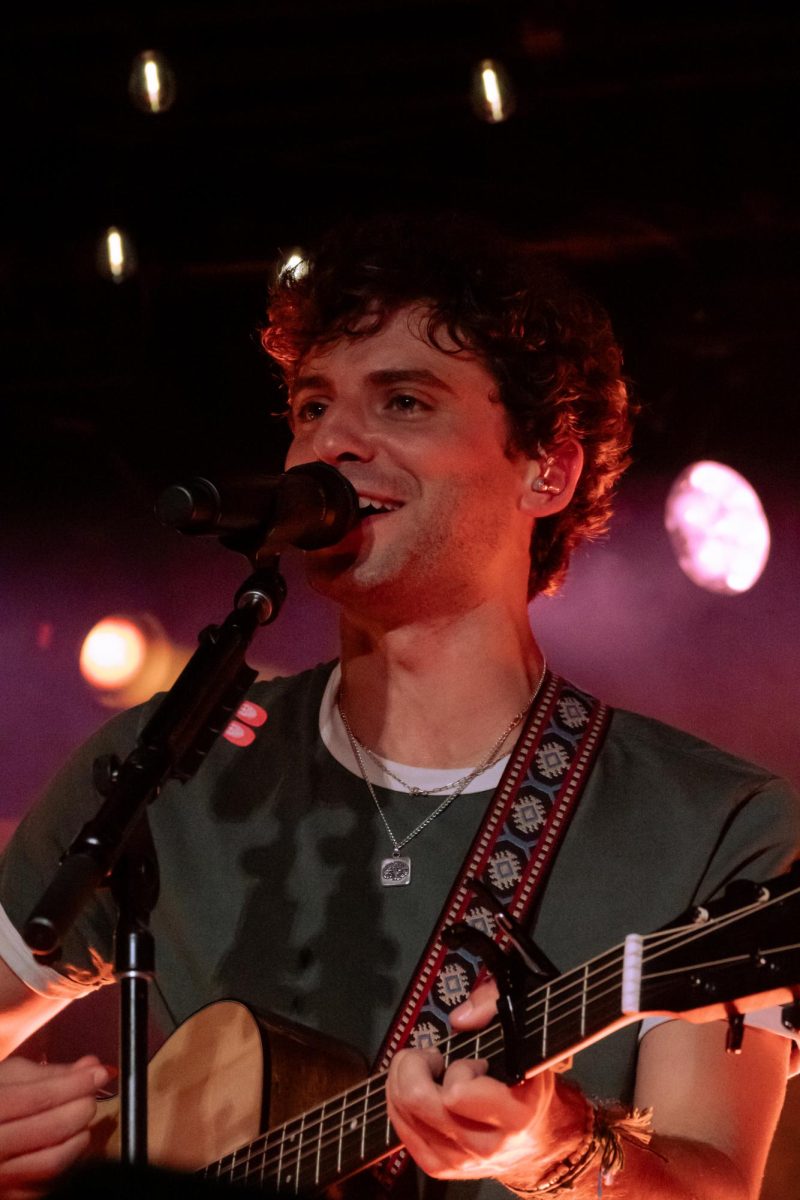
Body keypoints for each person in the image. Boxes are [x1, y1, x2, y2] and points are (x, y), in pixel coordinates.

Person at [0, 210, 798, 1200]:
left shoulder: (706, 822)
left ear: (546, 469)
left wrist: (554, 1151)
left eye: (405, 402)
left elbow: (711, 1186)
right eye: (309, 407)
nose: (332, 440)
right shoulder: (169, 768)